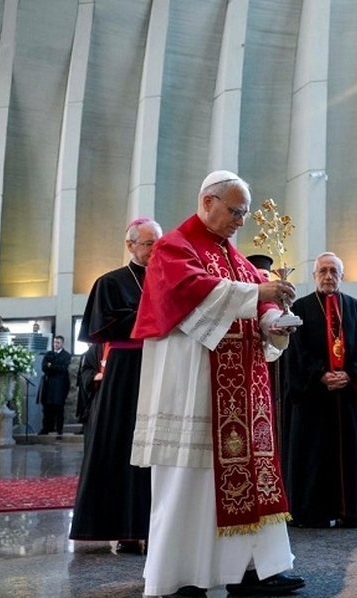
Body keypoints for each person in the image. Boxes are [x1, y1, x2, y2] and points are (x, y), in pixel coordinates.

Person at [130, 170, 305, 597]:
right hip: (194, 387)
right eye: (235, 210)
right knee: (192, 479)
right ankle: (183, 574)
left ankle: (254, 570)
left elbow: (253, 301)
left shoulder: (234, 256)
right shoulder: (175, 246)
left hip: (242, 393)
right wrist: (259, 296)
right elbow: (192, 289)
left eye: (244, 212)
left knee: (251, 474)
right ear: (208, 202)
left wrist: (276, 322)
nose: (241, 220)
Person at [69, 218, 161, 552]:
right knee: (123, 447)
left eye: (158, 243)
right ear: (131, 245)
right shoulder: (110, 282)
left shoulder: (169, 280)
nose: (155, 249)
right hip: (125, 374)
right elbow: (102, 326)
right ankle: (126, 529)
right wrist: (150, 317)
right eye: (149, 243)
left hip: (162, 367)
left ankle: (158, 529)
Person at [284, 252, 357, 528]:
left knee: (350, 454)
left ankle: (352, 511)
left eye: (333, 271)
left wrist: (349, 375)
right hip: (314, 396)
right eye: (323, 271)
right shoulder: (299, 309)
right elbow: (295, 350)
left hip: (348, 396)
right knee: (314, 455)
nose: (328, 276)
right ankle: (312, 512)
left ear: (342, 275)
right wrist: (321, 375)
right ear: (314, 276)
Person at [37, 335, 72, 436]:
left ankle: (59, 429)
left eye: (58, 343)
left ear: (62, 343)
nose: (56, 345)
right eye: (54, 342)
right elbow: (44, 367)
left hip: (60, 385)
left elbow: (63, 368)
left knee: (58, 407)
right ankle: (47, 427)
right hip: (48, 384)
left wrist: (51, 365)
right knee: (47, 407)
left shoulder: (66, 355)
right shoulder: (48, 354)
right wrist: (52, 366)